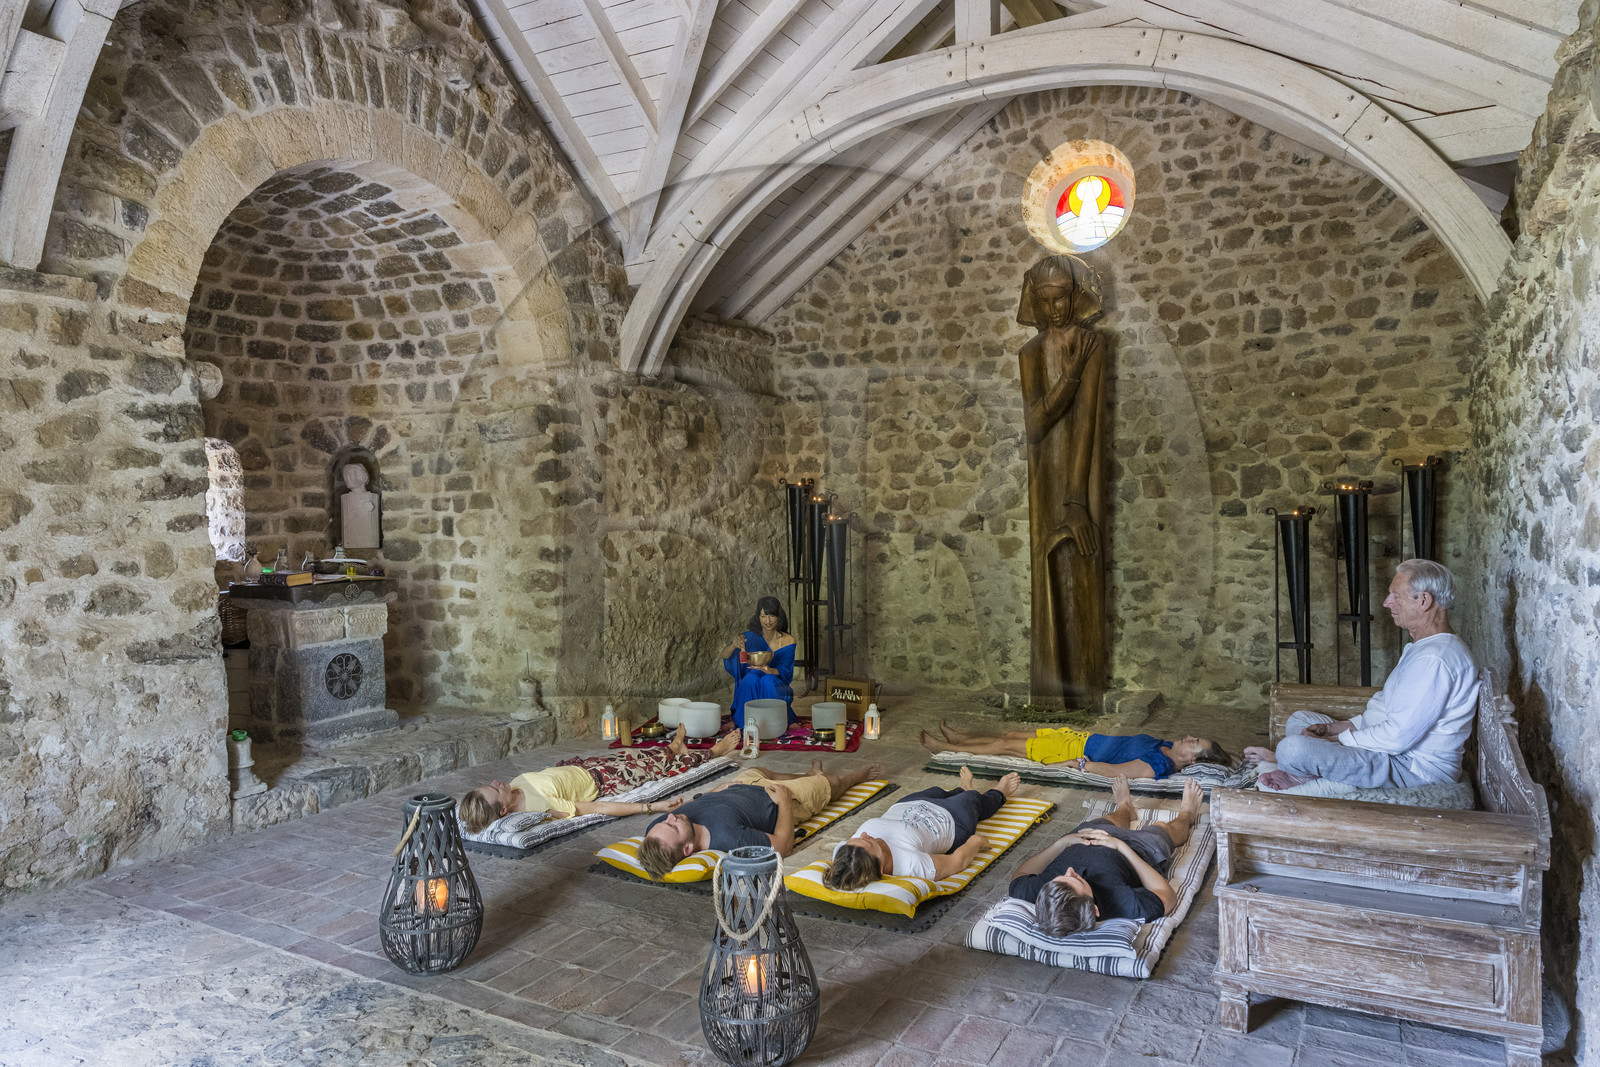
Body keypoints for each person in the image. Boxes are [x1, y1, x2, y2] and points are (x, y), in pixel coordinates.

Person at [1245, 559, 1480, 793]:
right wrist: (1336, 728)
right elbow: (1386, 710)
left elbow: (1397, 738)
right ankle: (1304, 769)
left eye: (1395, 596)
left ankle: (1296, 771)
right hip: (1390, 751)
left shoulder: (1435, 660)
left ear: (1424, 600)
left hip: (1411, 768)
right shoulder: (1424, 648)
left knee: (1292, 749)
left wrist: (1335, 741)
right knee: (1300, 719)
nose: (1387, 603)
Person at [1017, 254, 1108, 708]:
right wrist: (1070, 373)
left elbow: (1087, 420)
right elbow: (1035, 425)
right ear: (1034, 301)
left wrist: (1077, 501)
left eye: (1062, 299)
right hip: (1043, 475)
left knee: (1083, 565)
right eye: (1045, 300)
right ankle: (1050, 690)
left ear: (1076, 296)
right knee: (1045, 569)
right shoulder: (1030, 353)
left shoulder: (1093, 344)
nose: (1054, 310)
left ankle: (1086, 687)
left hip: (1080, 475)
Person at [1009, 777, 1203, 936]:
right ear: (1095, 910)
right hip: (1139, 848)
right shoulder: (1121, 903)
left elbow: (1020, 873)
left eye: (1063, 877)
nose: (1070, 871)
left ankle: (1125, 807)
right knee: (1162, 828)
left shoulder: (1046, 895)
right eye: (1076, 879)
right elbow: (1167, 897)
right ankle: (1187, 814)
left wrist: (1063, 843)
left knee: (1111, 818)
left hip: (1084, 836)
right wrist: (1122, 848)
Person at [460, 725, 740, 834]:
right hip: (607, 781)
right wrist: (651, 807)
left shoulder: (513, 789)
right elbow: (599, 809)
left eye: (492, 783)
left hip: (584, 767)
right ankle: (714, 752)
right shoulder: (543, 807)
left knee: (636, 753)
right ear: (504, 811)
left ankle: (673, 748)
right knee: (658, 768)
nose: (498, 782)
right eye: (495, 789)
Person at [636, 759, 882, 879]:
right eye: (672, 825)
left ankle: (806, 774)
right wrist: (784, 801)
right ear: (688, 848)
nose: (670, 817)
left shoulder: (656, 831)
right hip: (780, 797)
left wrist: (714, 792)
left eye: (664, 821)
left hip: (744, 784)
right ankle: (851, 779)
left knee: (761, 769)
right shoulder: (729, 838)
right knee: (833, 782)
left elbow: (675, 817)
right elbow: (783, 846)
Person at [824, 767, 1022, 889]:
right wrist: (976, 842)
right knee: (972, 800)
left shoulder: (845, 856)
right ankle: (998, 792)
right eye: (870, 841)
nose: (865, 834)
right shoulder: (911, 864)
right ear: (882, 868)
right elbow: (957, 862)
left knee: (936, 791)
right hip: (950, 820)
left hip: (910, 805)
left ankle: (963, 787)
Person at [920, 720, 1230, 779]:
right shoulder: (1165, 747)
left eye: (1195, 743)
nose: (1189, 737)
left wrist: (1078, 765)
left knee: (1004, 747)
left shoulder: (1160, 765)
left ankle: (946, 749)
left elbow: (1119, 772)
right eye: (1194, 737)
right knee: (1011, 734)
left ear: (1191, 761)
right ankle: (959, 739)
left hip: (1074, 749)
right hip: (1078, 737)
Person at [719, 595, 797, 730]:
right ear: (758, 617)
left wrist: (769, 670)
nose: (767, 621)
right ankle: (739, 720)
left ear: (779, 616)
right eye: (763, 616)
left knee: (767, 681)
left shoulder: (788, 640)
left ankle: (783, 719)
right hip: (752, 676)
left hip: (773, 678)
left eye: (772, 616)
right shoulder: (750, 637)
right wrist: (733, 646)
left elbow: (786, 670)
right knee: (750, 679)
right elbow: (724, 655)